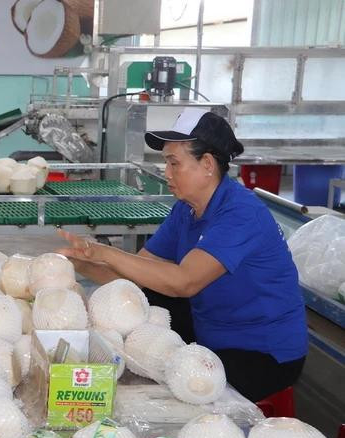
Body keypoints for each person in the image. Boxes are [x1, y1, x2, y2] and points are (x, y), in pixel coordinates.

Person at [57, 108, 307, 402]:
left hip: (261, 352)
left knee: (177, 387)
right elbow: (137, 274)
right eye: (166, 163)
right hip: (211, 329)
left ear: (208, 164)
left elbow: (184, 282)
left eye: (174, 163)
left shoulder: (241, 213)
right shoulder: (186, 209)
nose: (167, 173)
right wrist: (74, 261)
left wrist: (104, 252)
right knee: (135, 298)